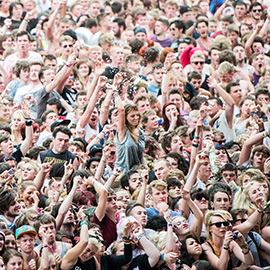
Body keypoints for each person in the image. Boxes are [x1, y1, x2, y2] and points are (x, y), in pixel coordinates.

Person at [115, 80, 146, 173]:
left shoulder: (140, 132)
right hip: (122, 173)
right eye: (132, 116)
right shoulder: (123, 131)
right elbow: (121, 110)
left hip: (137, 173)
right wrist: (115, 91)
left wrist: (147, 170)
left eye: (137, 115)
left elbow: (141, 156)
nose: (136, 118)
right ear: (126, 118)